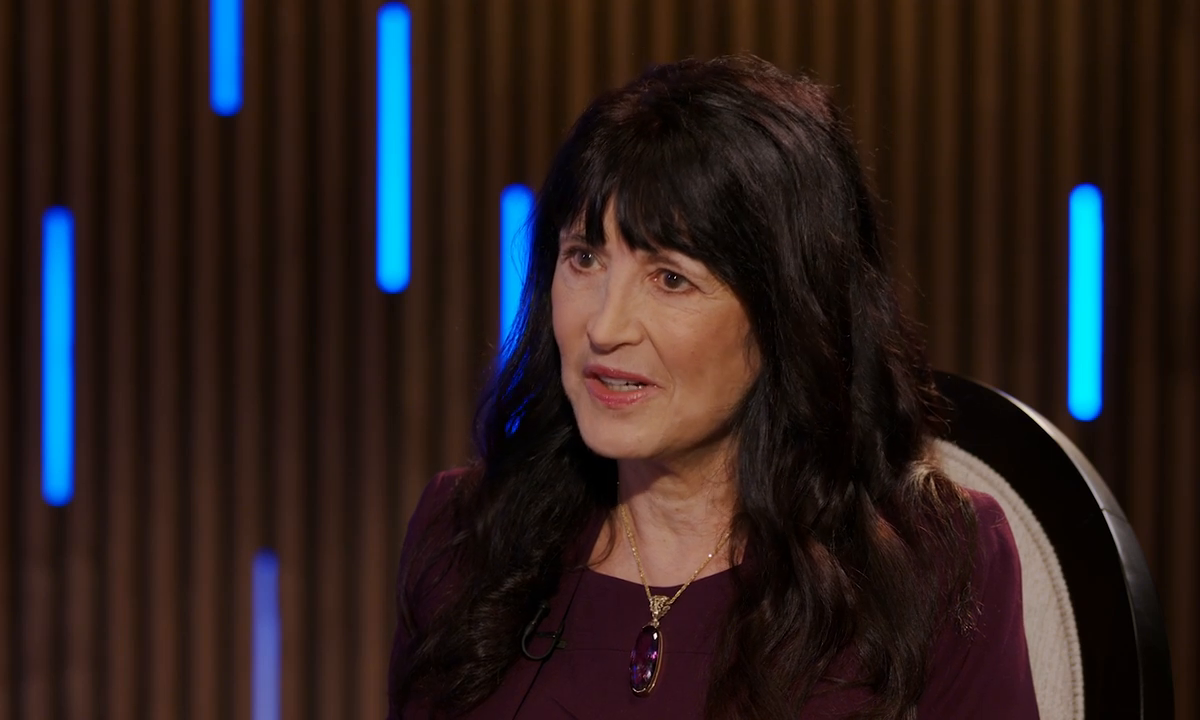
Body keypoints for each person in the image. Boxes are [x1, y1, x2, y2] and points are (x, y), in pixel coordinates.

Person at [388, 54, 1040, 719]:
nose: (604, 327)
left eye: (670, 278)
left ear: (787, 313)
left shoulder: (931, 563)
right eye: (584, 258)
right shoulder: (463, 539)